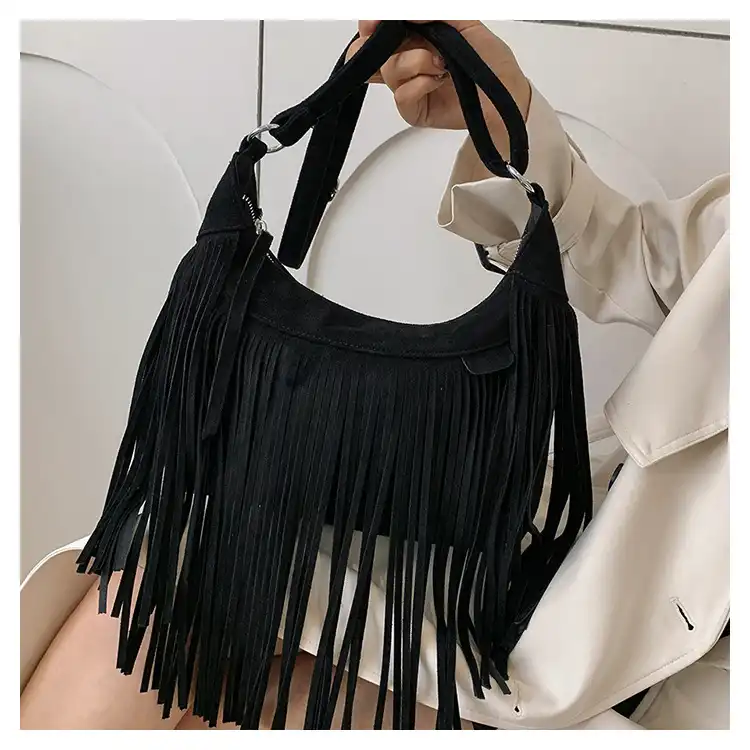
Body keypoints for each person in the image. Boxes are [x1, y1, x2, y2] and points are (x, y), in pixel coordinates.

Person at [20, 20, 729, 730]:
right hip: (573, 561)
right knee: (162, 588)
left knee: (228, 670)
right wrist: (506, 117)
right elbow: (653, 259)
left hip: (663, 686)